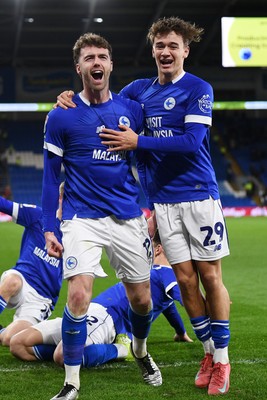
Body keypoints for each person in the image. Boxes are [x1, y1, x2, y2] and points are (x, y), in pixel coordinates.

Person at [56, 17, 231, 396]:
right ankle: (206, 352)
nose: (166, 52)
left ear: (185, 50)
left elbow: (189, 142)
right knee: (184, 280)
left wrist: (140, 142)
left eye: (174, 46)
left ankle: (223, 358)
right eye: (160, 46)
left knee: (210, 277)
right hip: (162, 203)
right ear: (152, 50)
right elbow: (102, 100)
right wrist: (68, 98)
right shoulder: (138, 91)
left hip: (199, 195)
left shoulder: (199, 89)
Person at [42, 32, 161, 400]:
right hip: (82, 218)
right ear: (78, 67)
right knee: (78, 294)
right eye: (89, 57)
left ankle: (139, 349)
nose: (97, 62)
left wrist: (155, 207)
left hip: (127, 217)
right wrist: (50, 227)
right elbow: (50, 178)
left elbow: (149, 157)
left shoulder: (132, 110)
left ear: (111, 65)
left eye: (102, 57)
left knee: (141, 300)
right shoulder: (61, 116)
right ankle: (72, 382)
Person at [10, 230, 192, 367]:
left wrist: (204, 318)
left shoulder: (166, 273)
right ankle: (73, 350)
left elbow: (186, 300)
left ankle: (123, 350)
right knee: (17, 344)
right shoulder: (150, 275)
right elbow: (168, 305)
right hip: (87, 311)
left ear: (158, 249)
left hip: (107, 318)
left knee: (63, 356)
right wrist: (181, 331)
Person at [0, 184, 63, 347]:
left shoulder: (76, 235)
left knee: (9, 339)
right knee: (12, 281)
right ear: (60, 199)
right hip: (22, 279)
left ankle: (2, 331)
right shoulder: (38, 215)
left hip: (41, 299)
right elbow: (5, 205)